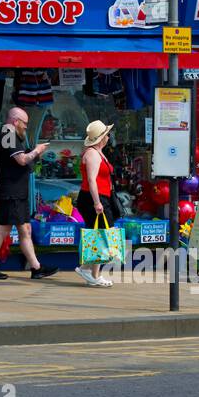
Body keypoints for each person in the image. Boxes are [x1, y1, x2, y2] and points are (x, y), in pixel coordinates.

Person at [0, 107, 58, 280]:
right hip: (11, 192)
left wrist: (35, 153)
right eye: (24, 123)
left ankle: (34, 268)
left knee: (20, 229)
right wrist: (37, 151)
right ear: (15, 121)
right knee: (11, 229)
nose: (25, 127)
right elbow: (21, 159)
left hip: (16, 192)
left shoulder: (13, 135)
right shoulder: (8, 133)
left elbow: (24, 162)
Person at [77, 119, 117, 287]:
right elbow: (92, 181)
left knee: (99, 236)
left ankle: (94, 275)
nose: (108, 137)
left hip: (101, 197)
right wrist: (97, 203)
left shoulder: (98, 152)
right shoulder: (93, 153)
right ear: (101, 137)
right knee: (104, 235)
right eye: (106, 135)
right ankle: (85, 268)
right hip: (94, 198)